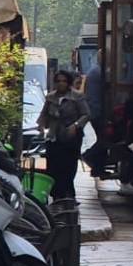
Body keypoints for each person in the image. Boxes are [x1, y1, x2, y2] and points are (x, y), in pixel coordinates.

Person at [38, 70, 90, 202]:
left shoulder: (77, 96)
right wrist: (42, 125)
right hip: (54, 135)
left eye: (64, 81)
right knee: (54, 164)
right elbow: (44, 114)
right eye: (58, 81)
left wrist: (76, 125)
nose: (61, 84)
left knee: (69, 164)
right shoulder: (51, 97)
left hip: (70, 136)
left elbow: (86, 114)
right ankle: (56, 193)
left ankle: (68, 193)